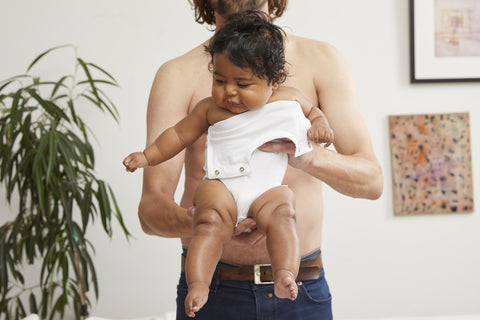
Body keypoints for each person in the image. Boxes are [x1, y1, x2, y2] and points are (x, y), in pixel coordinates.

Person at [136, 1, 383, 319]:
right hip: (212, 292)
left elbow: (371, 180)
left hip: (301, 290)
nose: (229, 91)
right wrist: (211, 224)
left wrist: (306, 156)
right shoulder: (178, 74)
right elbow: (150, 210)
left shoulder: (322, 61)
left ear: (278, 77)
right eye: (221, 82)